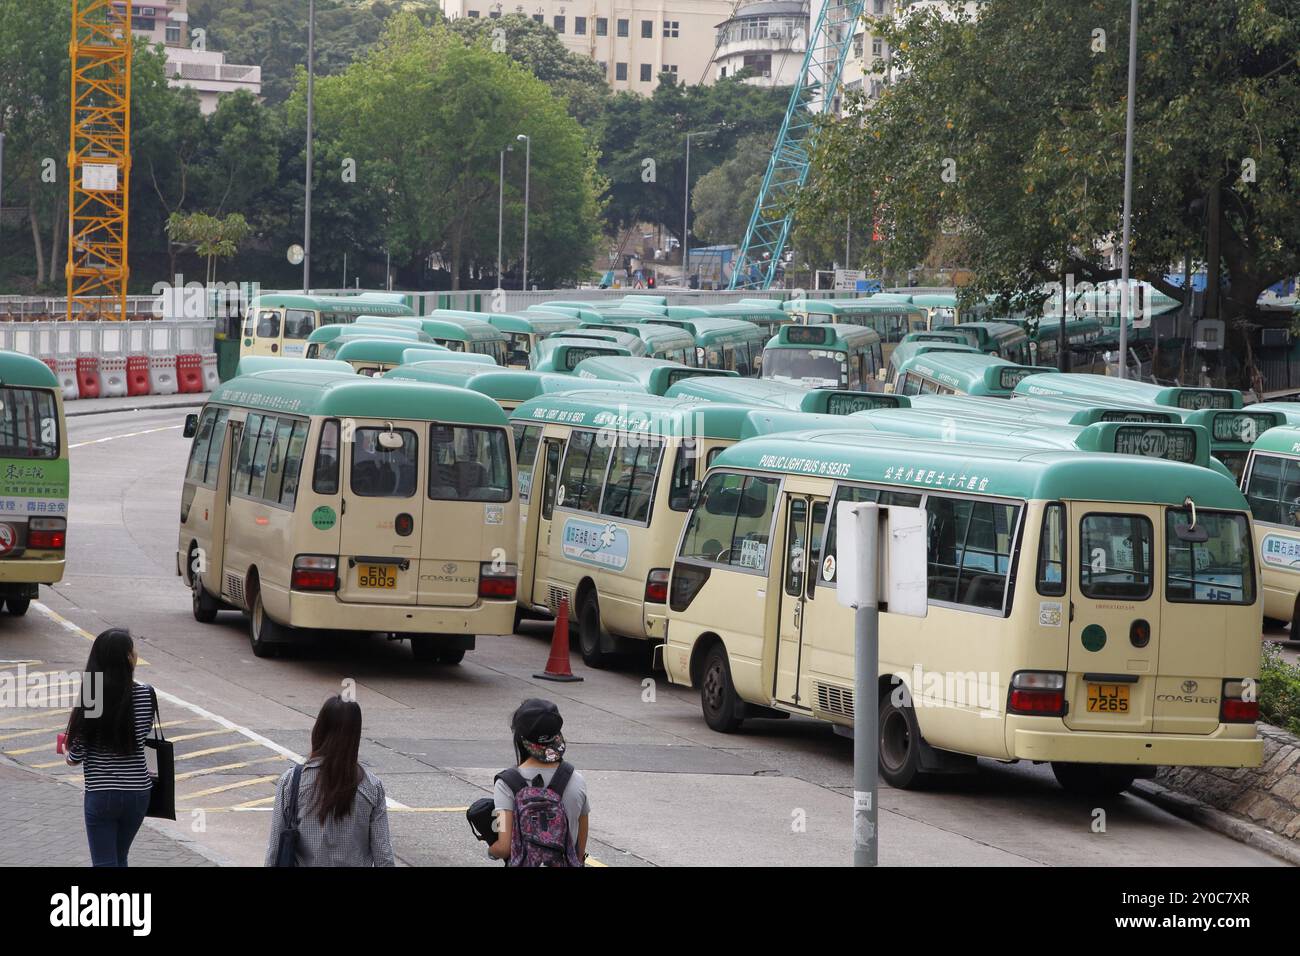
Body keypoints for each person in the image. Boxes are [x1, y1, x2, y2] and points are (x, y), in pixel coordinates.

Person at [265, 696, 394, 867]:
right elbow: (383, 855)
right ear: (355, 736)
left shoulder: (292, 781)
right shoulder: (371, 786)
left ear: (319, 729)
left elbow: (275, 850)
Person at [64, 628, 156, 868]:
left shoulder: (93, 695)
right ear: (128, 657)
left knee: (105, 862)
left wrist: (67, 751)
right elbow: (141, 735)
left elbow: (76, 756)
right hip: (138, 793)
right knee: (120, 857)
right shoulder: (147, 693)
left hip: (102, 794)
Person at [489, 698, 589, 866]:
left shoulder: (506, 784)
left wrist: (492, 851)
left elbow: (504, 847)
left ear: (520, 738)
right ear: (557, 738)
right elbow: (579, 849)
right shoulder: (577, 780)